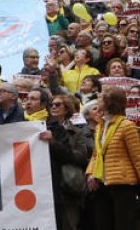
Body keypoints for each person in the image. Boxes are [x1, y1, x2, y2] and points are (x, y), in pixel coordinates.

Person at [86, 86, 140, 229]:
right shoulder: (100, 126)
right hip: (101, 182)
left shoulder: (127, 126)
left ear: (109, 102)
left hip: (122, 184)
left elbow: (137, 158)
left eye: (100, 98)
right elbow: (96, 154)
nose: (97, 101)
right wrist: (90, 173)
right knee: (102, 224)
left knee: (123, 225)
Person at [41, 94, 90, 230]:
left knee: (68, 223)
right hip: (45, 184)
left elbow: (80, 156)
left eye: (58, 105)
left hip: (66, 186)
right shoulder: (41, 128)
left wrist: (53, 143)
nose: (53, 107)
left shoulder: (77, 132)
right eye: (51, 105)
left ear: (67, 109)